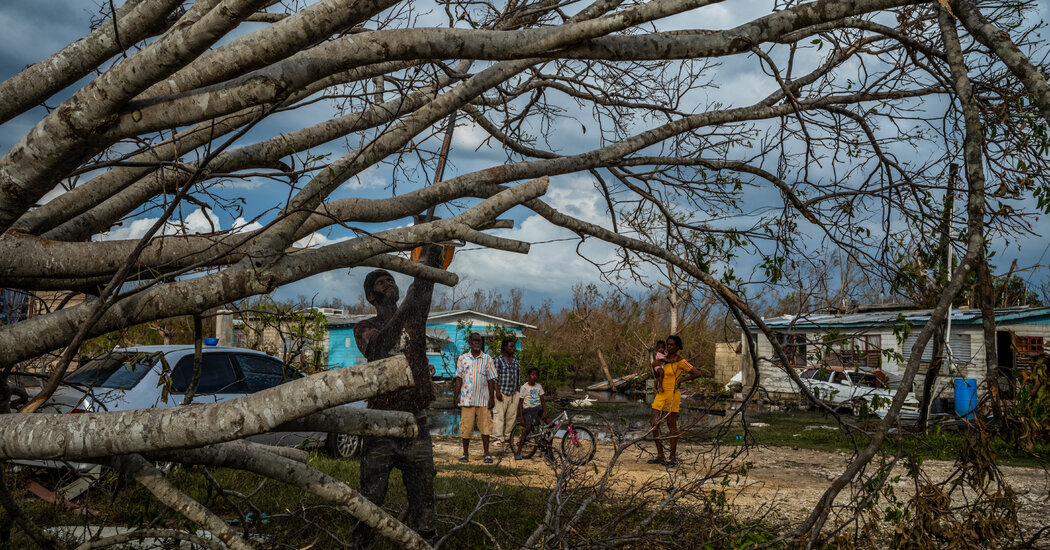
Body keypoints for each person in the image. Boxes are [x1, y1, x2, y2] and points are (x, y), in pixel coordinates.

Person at [351, 245, 443, 548]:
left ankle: (423, 545)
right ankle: (361, 546)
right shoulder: (364, 327)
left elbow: (425, 283)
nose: (388, 282)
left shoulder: (416, 318)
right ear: (372, 297)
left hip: (417, 424)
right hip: (381, 427)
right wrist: (405, 306)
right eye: (381, 282)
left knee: (424, 500)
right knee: (370, 500)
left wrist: (430, 246)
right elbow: (377, 348)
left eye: (391, 279)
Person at [648, 335, 702, 467]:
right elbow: (656, 372)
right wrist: (655, 365)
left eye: (672, 345)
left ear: (678, 347)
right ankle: (660, 455)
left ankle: (672, 457)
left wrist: (681, 380)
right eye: (668, 344)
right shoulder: (663, 358)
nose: (669, 347)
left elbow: (697, 373)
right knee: (653, 422)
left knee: (671, 424)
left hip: (672, 395)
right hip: (661, 393)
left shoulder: (680, 361)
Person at [454, 332, 498, 463]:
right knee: (466, 428)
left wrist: (492, 398)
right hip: (466, 399)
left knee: (485, 427)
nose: (477, 343)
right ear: (470, 342)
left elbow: (491, 379)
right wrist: (455, 396)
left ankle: (487, 454)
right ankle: (465, 454)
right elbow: (459, 379)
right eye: (474, 340)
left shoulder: (487, 359)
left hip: (483, 399)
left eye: (479, 341)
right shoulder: (462, 358)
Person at [514, 367, 550, 460]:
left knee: (551, 424)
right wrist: (521, 417)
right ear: (529, 376)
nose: (535, 377)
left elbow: (542, 400)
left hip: (538, 409)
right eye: (533, 375)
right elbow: (520, 403)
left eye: (536, 375)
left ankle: (549, 450)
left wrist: (544, 412)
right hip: (528, 410)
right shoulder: (524, 387)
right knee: (528, 427)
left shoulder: (539, 386)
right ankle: (518, 452)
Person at [491, 339, 521, 448]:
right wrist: (497, 391)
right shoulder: (498, 360)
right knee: (498, 416)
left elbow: (518, 378)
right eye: (511, 346)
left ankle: (508, 438)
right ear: (505, 347)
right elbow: (494, 378)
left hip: (513, 393)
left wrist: (519, 392)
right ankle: (497, 438)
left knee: (511, 417)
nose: (513, 348)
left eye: (513, 346)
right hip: (501, 392)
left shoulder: (516, 361)